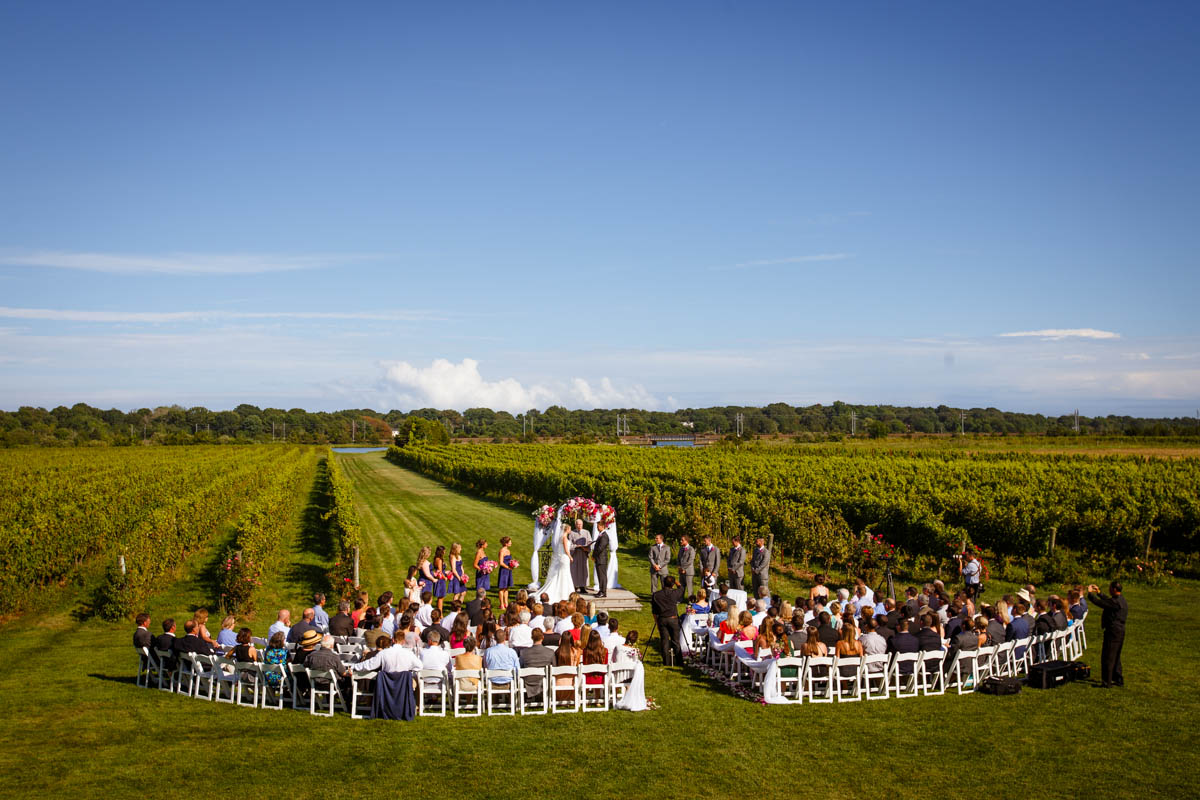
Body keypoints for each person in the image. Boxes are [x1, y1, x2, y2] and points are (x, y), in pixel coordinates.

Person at [1087, 581, 1127, 688]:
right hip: (1120, 631)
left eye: (1110, 588)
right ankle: (1118, 679)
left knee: (1108, 656)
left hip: (1113, 631)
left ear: (1114, 589)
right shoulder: (1121, 600)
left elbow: (1101, 603)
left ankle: (1106, 681)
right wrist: (1099, 593)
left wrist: (1090, 594)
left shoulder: (1115, 602)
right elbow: (1108, 601)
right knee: (1116, 655)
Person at [651, 576, 685, 666]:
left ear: (663, 583)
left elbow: (654, 611)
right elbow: (682, 589)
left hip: (662, 619)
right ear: (673, 584)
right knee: (675, 641)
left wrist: (657, 622)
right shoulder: (674, 593)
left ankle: (666, 662)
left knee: (664, 641)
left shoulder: (656, 595)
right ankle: (680, 662)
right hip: (673, 619)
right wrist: (677, 583)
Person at [519, 628, 556, 702]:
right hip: (543, 681)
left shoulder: (524, 652)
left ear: (532, 638)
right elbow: (554, 668)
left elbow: (521, 668)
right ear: (543, 637)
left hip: (529, 681)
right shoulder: (550, 652)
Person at [592, 524, 610, 598]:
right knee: (600, 575)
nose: (597, 527)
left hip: (601, 559)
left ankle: (603, 592)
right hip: (599, 559)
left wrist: (594, 555)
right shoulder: (601, 534)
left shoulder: (604, 536)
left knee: (602, 576)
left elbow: (600, 548)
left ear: (603, 527)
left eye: (598, 526)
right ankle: (601, 590)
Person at [496, 538, 514, 608]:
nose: (511, 543)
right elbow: (501, 562)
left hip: (508, 571)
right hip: (503, 571)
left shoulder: (508, 551)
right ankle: (502, 604)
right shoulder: (502, 551)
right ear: (506, 543)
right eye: (510, 542)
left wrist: (513, 564)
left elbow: (509, 560)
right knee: (502, 588)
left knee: (506, 588)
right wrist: (508, 567)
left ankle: (506, 603)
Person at [432, 545, 448, 613]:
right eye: (444, 550)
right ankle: (440, 613)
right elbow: (440, 571)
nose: (445, 552)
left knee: (440, 597)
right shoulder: (439, 560)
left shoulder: (436, 558)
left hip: (439, 579)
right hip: (441, 580)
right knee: (441, 597)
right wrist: (445, 577)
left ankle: (438, 611)